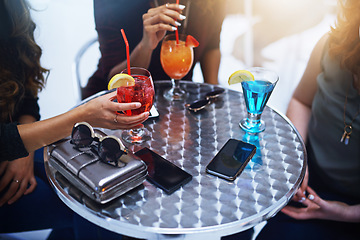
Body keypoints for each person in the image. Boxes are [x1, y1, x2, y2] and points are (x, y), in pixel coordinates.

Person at [0, 0, 148, 238]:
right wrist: (81, 116)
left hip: (16, 144)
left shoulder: (13, 8)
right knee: (96, 208)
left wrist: (24, 148)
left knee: (102, 188)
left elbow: (26, 96)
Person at [256, 0, 360, 239]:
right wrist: (299, 160)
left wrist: (345, 213)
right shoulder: (333, 44)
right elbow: (301, 101)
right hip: (310, 183)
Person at [82, 0, 225, 99]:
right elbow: (116, 80)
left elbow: (212, 46)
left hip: (180, 99)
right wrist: (145, 46)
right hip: (119, 101)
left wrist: (211, 94)